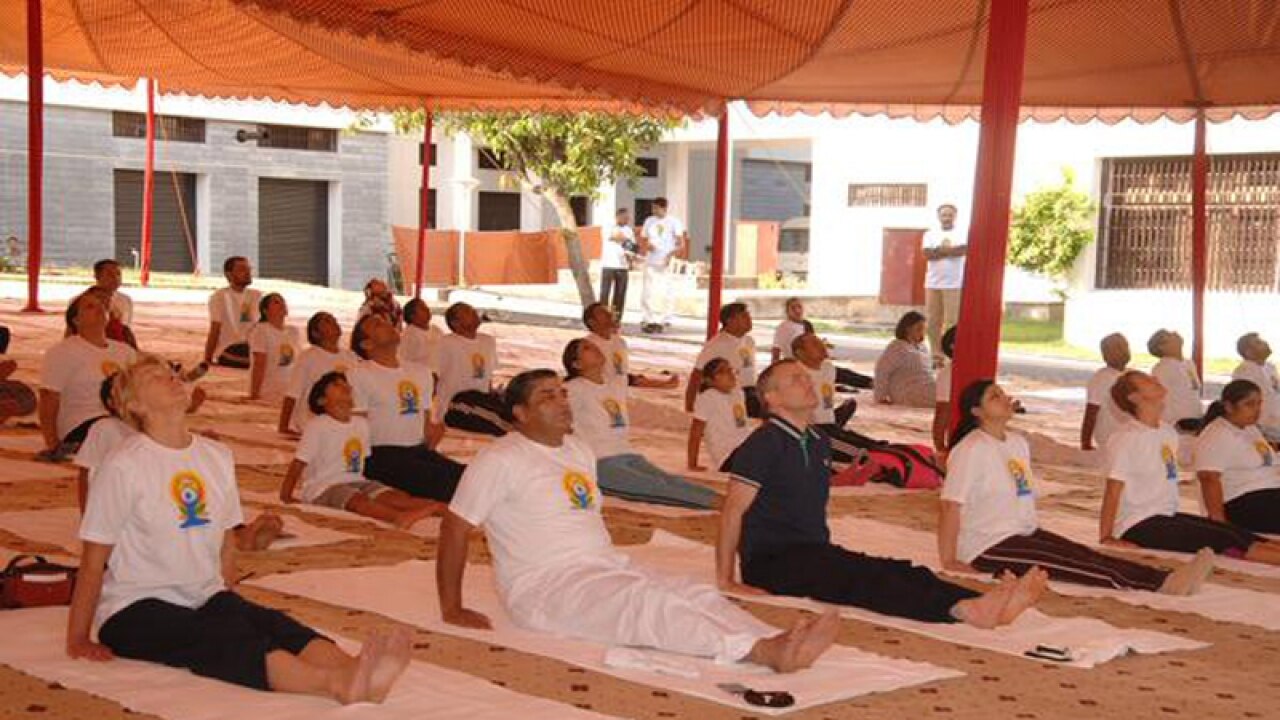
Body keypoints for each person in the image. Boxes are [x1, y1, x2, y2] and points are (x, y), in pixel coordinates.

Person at [436, 369, 840, 673]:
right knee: (647, 605)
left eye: (563, 392)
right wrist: (452, 608)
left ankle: (770, 639)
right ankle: (760, 653)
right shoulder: (500, 459)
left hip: (602, 565)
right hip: (545, 585)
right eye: (548, 397)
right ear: (520, 413)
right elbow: (455, 527)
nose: (563, 401)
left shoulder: (578, 449)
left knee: (692, 593)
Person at [65, 356, 410, 704]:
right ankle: (331, 684)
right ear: (133, 405)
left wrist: (227, 592)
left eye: (171, 372)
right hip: (135, 606)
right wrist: (78, 636)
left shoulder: (216, 456)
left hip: (203, 593)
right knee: (222, 639)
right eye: (155, 377)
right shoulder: (123, 464)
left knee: (272, 625)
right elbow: (94, 559)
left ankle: (356, 670)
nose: (171, 377)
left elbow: (226, 538)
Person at [718, 360, 1046, 629]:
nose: (807, 382)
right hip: (773, 562)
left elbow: (803, 489)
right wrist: (727, 579)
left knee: (899, 569)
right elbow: (732, 511)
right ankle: (962, 609)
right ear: (772, 399)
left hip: (813, 549)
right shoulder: (764, 442)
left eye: (806, 376)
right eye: (795, 379)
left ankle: (976, 600)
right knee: (864, 580)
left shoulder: (817, 440)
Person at [940, 379, 1212, 595]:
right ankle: (1161, 585)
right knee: (1071, 565)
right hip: (988, 544)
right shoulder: (971, 449)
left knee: (1083, 554)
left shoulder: (1017, 442)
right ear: (977, 412)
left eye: (1002, 392)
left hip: (1023, 531)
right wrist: (950, 559)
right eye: (994, 397)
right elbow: (951, 505)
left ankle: (1165, 577)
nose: (1005, 398)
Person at [77, 371, 280, 549]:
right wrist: (89, 518)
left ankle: (237, 532)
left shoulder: (156, 430)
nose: (171, 381)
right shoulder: (105, 428)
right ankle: (239, 538)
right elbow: (86, 474)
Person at [1100, 371, 1280, 565]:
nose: (1156, 379)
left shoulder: (1166, 432)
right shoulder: (1126, 438)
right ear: (1134, 397)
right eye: (1148, 381)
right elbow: (1113, 490)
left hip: (1165, 514)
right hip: (1136, 524)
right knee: (1222, 540)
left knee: (1238, 534)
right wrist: (1107, 536)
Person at [563, 339, 717, 509]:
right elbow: (553, 415)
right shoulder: (574, 388)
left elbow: (633, 378)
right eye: (586, 348)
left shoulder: (613, 382)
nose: (595, 348)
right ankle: (720, 503)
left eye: (593, 345)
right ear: (576, 364)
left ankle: (727, 500)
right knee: (655, 487)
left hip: (627, 453)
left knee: (670, 480)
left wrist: (665, 384)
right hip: (599, 460)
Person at [281, 372, 441, 529]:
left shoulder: (361, 424)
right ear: (322, 400)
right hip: (324, 487)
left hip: (357, 480)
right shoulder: (317, 426)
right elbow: (299, 463)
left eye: (346, 385)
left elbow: (362, 461)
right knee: (358, 501)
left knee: (395, 497)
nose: (345, 387)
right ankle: (397, 517)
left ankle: (440, 508)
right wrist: (286, 495)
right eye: (336, 385)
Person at [349, 314, 465, 501]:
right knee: (453, 487)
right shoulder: (359, 375)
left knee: (471, 477)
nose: (387, 324)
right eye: (377, 324)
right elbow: (354, 428)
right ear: (366, 344)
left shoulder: (421, 372)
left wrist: (433, 437)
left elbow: (426, 424)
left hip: (417, 450)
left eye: (386, 321)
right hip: (380, 455)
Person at [39, 292, 137, 458]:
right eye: (90, 307)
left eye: (102, 306)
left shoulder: (124, 351)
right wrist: (52, 442)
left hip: (122, 419)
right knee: (112, 431)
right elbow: (49, 396)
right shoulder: (62, 352)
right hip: (83, 423)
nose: (99, 309)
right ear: (76, 320)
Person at [1194, 380, 1280, 533]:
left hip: (1269, 494)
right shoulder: (1217, 434)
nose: (1257, 410)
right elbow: (1209, 479)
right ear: (1229, 406)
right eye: (1249, 404)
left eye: (1259, 403)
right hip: (1242, 501)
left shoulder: (1250, 429)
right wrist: (1219, 524)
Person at [435, 302, 510, 436]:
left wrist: (491, 394)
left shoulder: (488, 341)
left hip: (481, 403)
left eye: (473, 309)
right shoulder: (445, 343)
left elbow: (488, 375)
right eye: (468, 312)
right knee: (503, 426)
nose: (475, 312)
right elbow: (434, 375)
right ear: (455, 323)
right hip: (455, 406)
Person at [279, 312, 358, 436]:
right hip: (313, 422)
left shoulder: (351, 357)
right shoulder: (308, 356)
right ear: (315, 333)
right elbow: (293, 392)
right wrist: (283, 426)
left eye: (334, 319)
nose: (334, 323)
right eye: (327, 321)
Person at [792, 333, 865, 463]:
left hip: (829, 424)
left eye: (820, 341)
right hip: (811, 431)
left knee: (866, 441)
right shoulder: (794, 373)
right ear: (800, 353)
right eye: (815, 344)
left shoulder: (828, 367)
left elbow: (848, 376)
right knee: (862, 453)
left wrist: (871, 382)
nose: (821, 346)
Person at [581, 301, 677, 389]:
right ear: (592, 322)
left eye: (608, 311)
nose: (609, 314)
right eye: (602, 312)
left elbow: (622, 375)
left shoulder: (619, 342)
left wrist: (662, 384)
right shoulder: (587, 345)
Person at [686, 302, 760, 417]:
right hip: (732, 394)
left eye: (749, 316)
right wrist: (689, 405)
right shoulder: (716, 344)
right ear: (730, 321)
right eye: (744, 316)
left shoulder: (749, 341)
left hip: (752, 391)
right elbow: (697, 374)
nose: (749, 320)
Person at [688, 358, 755, 471]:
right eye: (722, 371)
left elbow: (741, 426)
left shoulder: (738, 393)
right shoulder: (708, 397)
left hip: (746, 447)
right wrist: (692, 464)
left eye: (730, 369)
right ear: (709, 380)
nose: (730, 374)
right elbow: (696, 432)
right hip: (728, 456)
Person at [921, 203, 966, 362]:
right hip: (933, 283)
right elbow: (927, 254)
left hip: (955, 284)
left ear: (955, 216)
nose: (946, 218)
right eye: (944, 215)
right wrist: (949, 251)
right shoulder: (930, 234)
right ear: (939, 216)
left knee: (953, 321)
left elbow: (963, 250)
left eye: (949, 215)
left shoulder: (963, 233)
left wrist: (940, 250)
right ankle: (936, 355)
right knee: (933, 321)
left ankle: (951, 355)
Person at [639, 197, 688, 334]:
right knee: (648, 290)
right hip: (651, 259)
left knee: (666, 290)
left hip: (666, 261)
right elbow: (643, 239)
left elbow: (681, 244)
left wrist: (670, 255)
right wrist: (647, 245)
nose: (654, 211)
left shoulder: (674, 222)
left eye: (656, 208)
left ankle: (666, 318)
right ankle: (648, 317)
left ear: (664, 208)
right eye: (653, 208)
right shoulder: (649, 221)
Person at [203, 256, 262, 369]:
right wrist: (207, 358)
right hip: (229, 348)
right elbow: (215, 329)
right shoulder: (219, 297)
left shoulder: (257, 296)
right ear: (229, 274)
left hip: (251, 346)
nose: (248, 273)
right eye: (242, 269)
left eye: (249, 269)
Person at [872, 311, 935, 408]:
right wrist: (880, 397)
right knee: (946, 395)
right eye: (919, 328)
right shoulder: (897, 347)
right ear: (908, 329)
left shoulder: (922, 347)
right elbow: (881, 371)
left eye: (924, 329)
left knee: (948, 389)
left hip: (925, 385)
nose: (922, 332)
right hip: (908, 391)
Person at [1081, 333, 1130, 451]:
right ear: (1105, 355)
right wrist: (1085, 442)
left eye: (1125, 346)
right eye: (1117, 348)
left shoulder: (1129, 374)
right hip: (1112, 436)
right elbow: (1091, 411)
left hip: (1127, 435)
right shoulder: (1102, 378)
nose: (1123, 350)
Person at [248, 293, 301, 402]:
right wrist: (254, 393)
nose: (282, 304)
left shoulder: (293, 331)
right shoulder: (261, 330)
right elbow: (259, 363)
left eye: (283, 301)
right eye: (276, 302)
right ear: (265, 311)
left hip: (291, 389)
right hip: (270, 389)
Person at [1149, 329, 1203, 431]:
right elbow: (1159, 399)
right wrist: (1171, 425)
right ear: (1162, 347)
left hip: (1195, 423)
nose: (1174, 333)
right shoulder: (1162, 368)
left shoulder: (1188, 363)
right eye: (1169, 335)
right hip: (1177, 426)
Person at [1231, 332, 1280, 442]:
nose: (1265, 343)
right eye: (1258, 343)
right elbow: (1242, 404)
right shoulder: (1244, 371)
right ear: (1249, 352)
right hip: (1263, 429)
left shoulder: (1270, 367)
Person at [91, 259, 137, 348]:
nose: (116, 278)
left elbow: (125, 329)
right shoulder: (81, 301)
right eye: (110, 274)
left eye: (118, 274)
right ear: (97, 276)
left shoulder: (125, 300)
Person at [600, 207, 635, 319]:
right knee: (605, 294)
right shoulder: (608, 227)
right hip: (608, 265)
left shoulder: (629, 230)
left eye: (628, 218)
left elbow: (633, 248)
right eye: (625, 217)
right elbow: (614, 237)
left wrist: (631, 261)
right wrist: (626, 241)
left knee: (620, 295)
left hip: (623, 266)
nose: (627, 220)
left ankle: (616, 319)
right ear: (618, 216)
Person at [931, 326, 958, 455]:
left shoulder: (978, 369)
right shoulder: (948, 375)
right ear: (953, 346)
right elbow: (942, 412)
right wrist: (941, 447)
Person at [400, 299, 443, 370]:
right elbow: (403, 361)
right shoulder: (408, 336)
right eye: (423, 309)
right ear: (412, 316)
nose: (427, 310)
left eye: (426, 307)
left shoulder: (436, 330)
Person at [771, 297, 808, 363]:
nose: (797, 310)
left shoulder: (807, 324)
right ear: (787, 311)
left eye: (799, 307)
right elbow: (776, 350)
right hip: (792, 364)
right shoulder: (783, 327)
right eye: (793, 308)